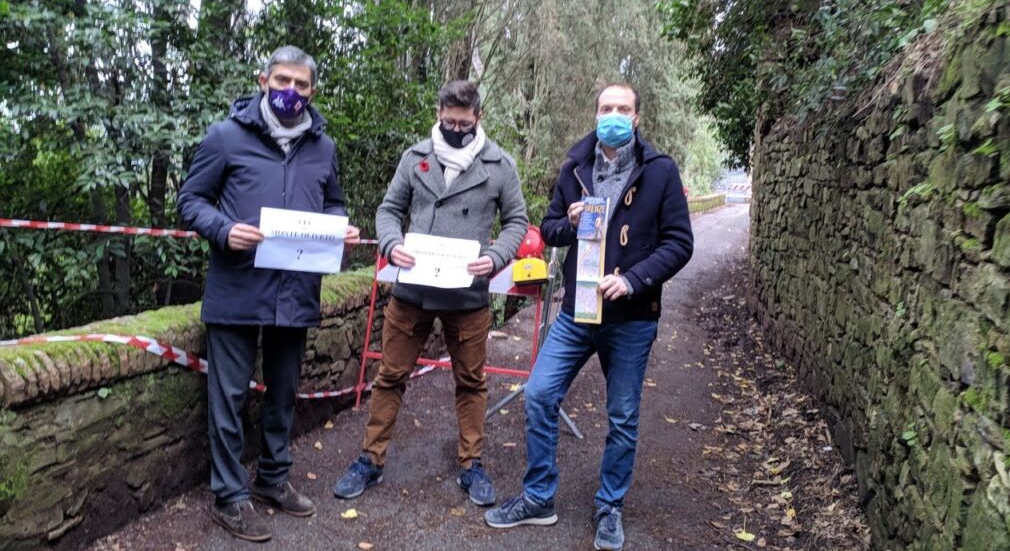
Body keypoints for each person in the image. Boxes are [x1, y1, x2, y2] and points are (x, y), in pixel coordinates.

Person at [484, 84, 694, 551]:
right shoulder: (576, 167)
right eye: (606, 109)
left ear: (637, 118)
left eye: (623, 109)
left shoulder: (658, 172)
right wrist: (572, 223)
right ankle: (539, 496)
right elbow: (551, 228)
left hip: (632, 316)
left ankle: (609, 506)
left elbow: (680, 243)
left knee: (621, 416)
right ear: (595, 114)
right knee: (539, 394)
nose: (613, 115)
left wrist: (634, 280)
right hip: (578, 312)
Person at [178, 45, 360, 542]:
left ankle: (273, 479)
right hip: (237, 286)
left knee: (283, 394)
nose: (290, 92)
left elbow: (334, 203)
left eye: (301, 85)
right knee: (229, 397)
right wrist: (223, 229)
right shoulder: (225, 137)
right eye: (282, 81)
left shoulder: (324, 147)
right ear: (263, 80)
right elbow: (190, 200)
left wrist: (339, 230)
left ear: (312, 91)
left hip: (295, 290)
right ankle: (230, 496)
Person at [333, 80, 528, 507]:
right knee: (390, 375)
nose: (456, 127)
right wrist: (390, 244)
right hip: (413, 289)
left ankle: (471, 464)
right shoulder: (415, 158)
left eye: (464, 121)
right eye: (449, 120)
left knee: (472, 382)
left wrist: (496, 257)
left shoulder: (500, 165)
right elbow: (388, 210)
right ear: (439, 113)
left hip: (468, 293)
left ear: (478, 117)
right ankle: (370, 459)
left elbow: (517, 220)